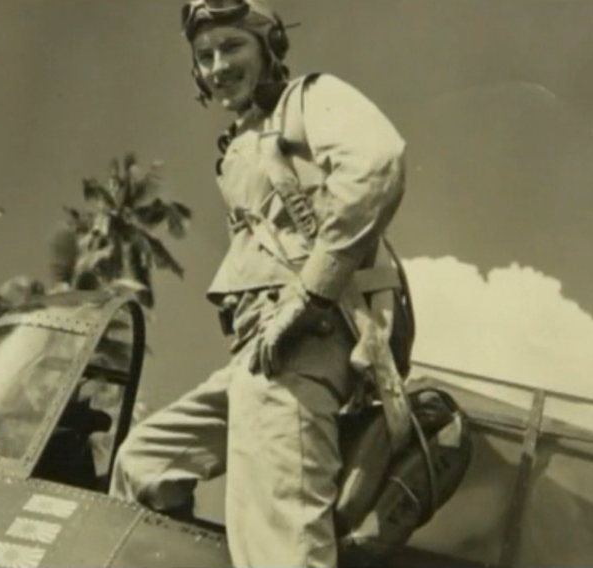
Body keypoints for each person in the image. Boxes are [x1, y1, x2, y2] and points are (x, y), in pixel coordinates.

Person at [109, 1, 410, 566]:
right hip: (257, 352)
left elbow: (378, 161)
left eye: (233, 47)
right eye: (205, 56)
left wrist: (309, 293)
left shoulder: (307, 100)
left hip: (301, 344)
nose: (218, 65)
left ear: (268, 47)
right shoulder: (242, 146)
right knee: (142, 462)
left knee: (280, 547)